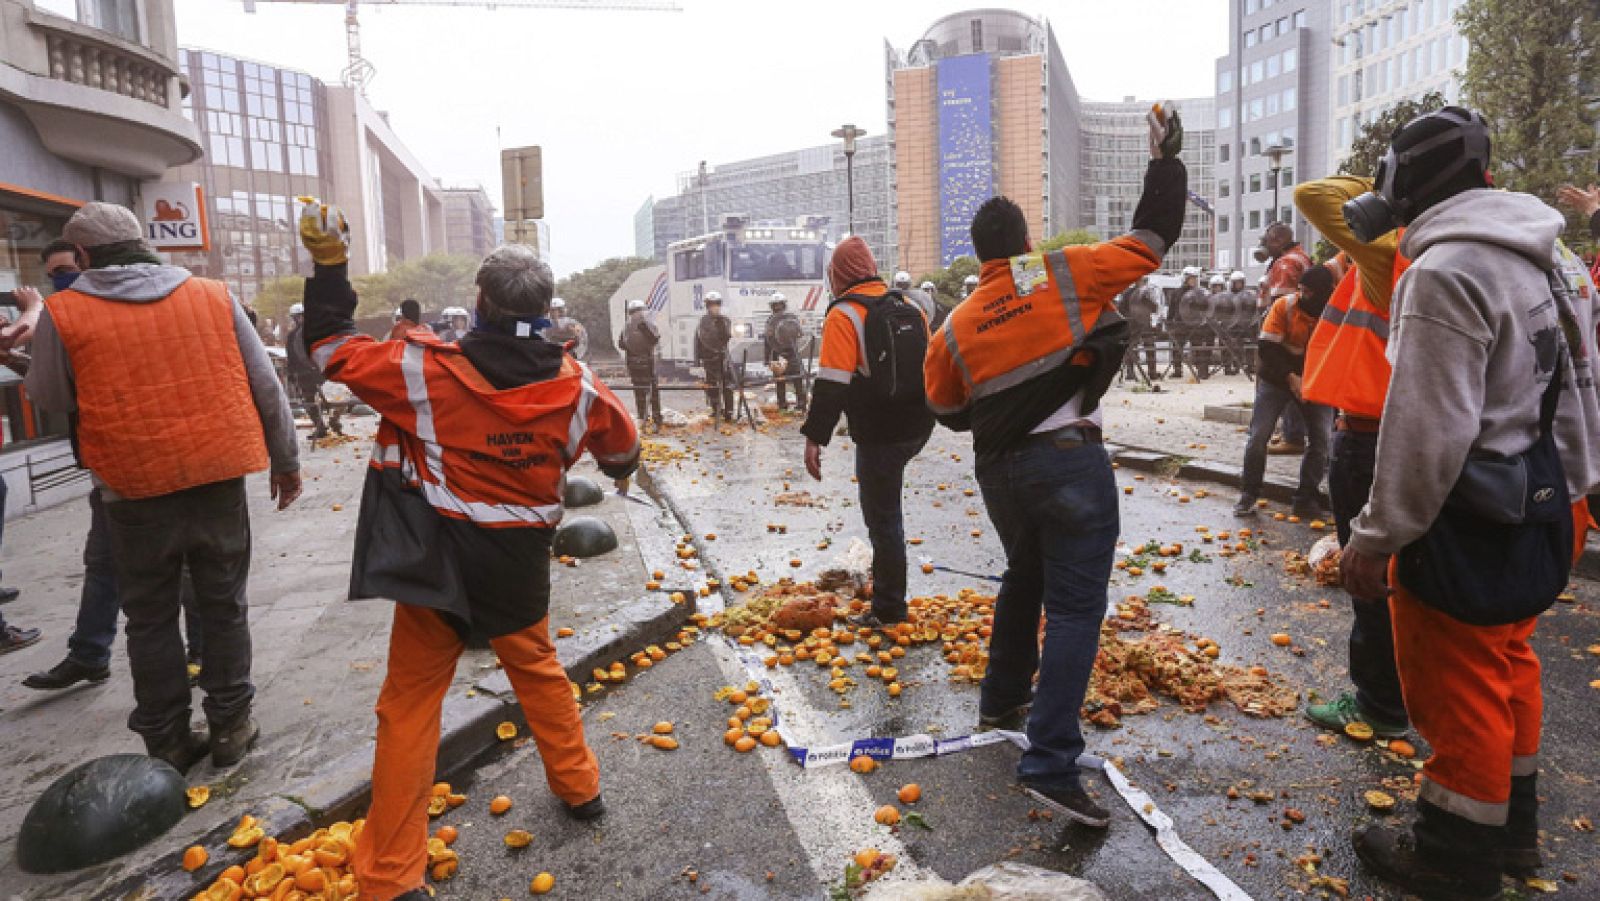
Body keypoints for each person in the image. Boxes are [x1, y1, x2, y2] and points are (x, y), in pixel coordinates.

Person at [296, 200, 638, 901]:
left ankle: (391, 877)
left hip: (440, 569)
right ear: (545, 311)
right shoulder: (579, 386)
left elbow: (329, 349)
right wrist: (609, 462)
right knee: (539, 672)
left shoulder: (423, 372)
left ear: (478, 303)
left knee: (410, 708)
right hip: (517, 570)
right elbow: (624, 447)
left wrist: (330, 266)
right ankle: (582, 790)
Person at [1339, 107, 1600, 899]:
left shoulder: (1446, 272)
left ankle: (1454, 853)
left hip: (1469, 516)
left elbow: (1425, 432)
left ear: (1403, 179)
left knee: (1460, 688)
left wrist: (1375, 538)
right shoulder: (1559, 261)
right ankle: (1511, 832)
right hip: (1555, 499)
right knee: (1509, 660)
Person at [924, 106, 1187, 828]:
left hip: (1000, 475)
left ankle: (1002, 691)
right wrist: (1165, 162)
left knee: (1024, 574)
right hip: (1070, 463)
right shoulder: (1065, 272)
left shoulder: (956, 321)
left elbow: (944, 405)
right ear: (1026, 242)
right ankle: (1048, 760)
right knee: (1074, 608)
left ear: (979, 254)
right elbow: (1152, 237)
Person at [16, 202, 301, 772]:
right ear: (142, 241)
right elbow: (264, 385)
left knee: (149, 618)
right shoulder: (213, 296)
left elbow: (50, 398)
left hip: (132, 487)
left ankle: (167, 739)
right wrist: (285, 461)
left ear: (84, 255)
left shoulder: (65, 313)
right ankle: (231, 725)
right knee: (224, 606)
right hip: (217, 478)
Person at [1293, 174, 1413, 743]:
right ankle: (1408, 697)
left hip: (1369, 438)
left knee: (1367, 576)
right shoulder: (1431, 252)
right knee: (1405, 581)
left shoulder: (1393, 252)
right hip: (1393, 432)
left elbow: (1311, 195)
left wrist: (1383, 184)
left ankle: (1379, 704)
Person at [801, 236, 932, 627]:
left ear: (837, 274)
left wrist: (814, 438)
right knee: (889, 513)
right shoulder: (909, 306)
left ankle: (890, 609)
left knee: (884, 520)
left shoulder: (844, 315)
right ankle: (891, 592)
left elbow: (831, 385)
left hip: (881, 433)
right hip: (919, 426)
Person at [1234, 267, 1335, 518]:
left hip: (1316, 380)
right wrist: (1291, 378)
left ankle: (1306, 497)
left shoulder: (1334, 312)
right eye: (1301, 289)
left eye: (1309, 291)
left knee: (1321, 440)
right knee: (1259, 436)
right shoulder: (1284, 307)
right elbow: (1268, 349)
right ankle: (1249, 493)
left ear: (1322, 294)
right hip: (1276, 379)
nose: (1302, 295)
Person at [286, 303, 335, 441]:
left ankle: (325, 425)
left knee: (316, 399)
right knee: (316, 399)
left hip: (309, 372)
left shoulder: (300, 334)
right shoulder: (315, 332)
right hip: (311, 372)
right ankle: (323, 425)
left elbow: (296, 355)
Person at [618, 298, 663, 429]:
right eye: (635, 312)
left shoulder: (648, 325)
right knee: (638, 391)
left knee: (653, 390)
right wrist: (630, 344)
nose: (637, 315)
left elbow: (654, 339)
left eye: (639, 312)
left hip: (647, 363)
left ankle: (656, 418)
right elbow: (621, 343)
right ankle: (642, 416)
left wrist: (644, 329)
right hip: (634, 363)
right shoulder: (627, 327)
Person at [693, 291, 735, 422]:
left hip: (722, 357)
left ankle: (729, 411)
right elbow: (698, 340)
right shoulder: (703, 321)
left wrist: (720, 323)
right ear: (707, 306)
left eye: (716, 304)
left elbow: (726, 336)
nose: (714, 307)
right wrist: (697, 361)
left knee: (726, 385)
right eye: (711, 304)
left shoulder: (725, 320)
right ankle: (716, 408)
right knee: (711, 385)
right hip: (708, 358)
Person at [762, 293, 807, 413]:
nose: (777, 308)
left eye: (779, 305)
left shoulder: (791, 318)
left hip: (791, 352)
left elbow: (799, 334)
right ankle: (783, 404)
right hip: (780, 353)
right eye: (775, 305)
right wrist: (767, 358)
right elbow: (768, 340)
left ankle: (800, 404)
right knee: (781, 380)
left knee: (796, 379)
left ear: (783, 305)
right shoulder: (771, 321)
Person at [1117, 276, 1161, 384]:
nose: (1143, 283)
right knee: (1131, 347)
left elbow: (1155, 308)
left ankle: (1152, 372)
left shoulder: (1148, 294)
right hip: (1132, 324)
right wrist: (1129, 318)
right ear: (1136, 281)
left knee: (1150, 346)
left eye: (1145, 281)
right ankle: (1130, 372)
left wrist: (1147, 300)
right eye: (1141, 280)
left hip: (1145, 324)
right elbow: (1121, 309)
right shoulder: (1128, 293)